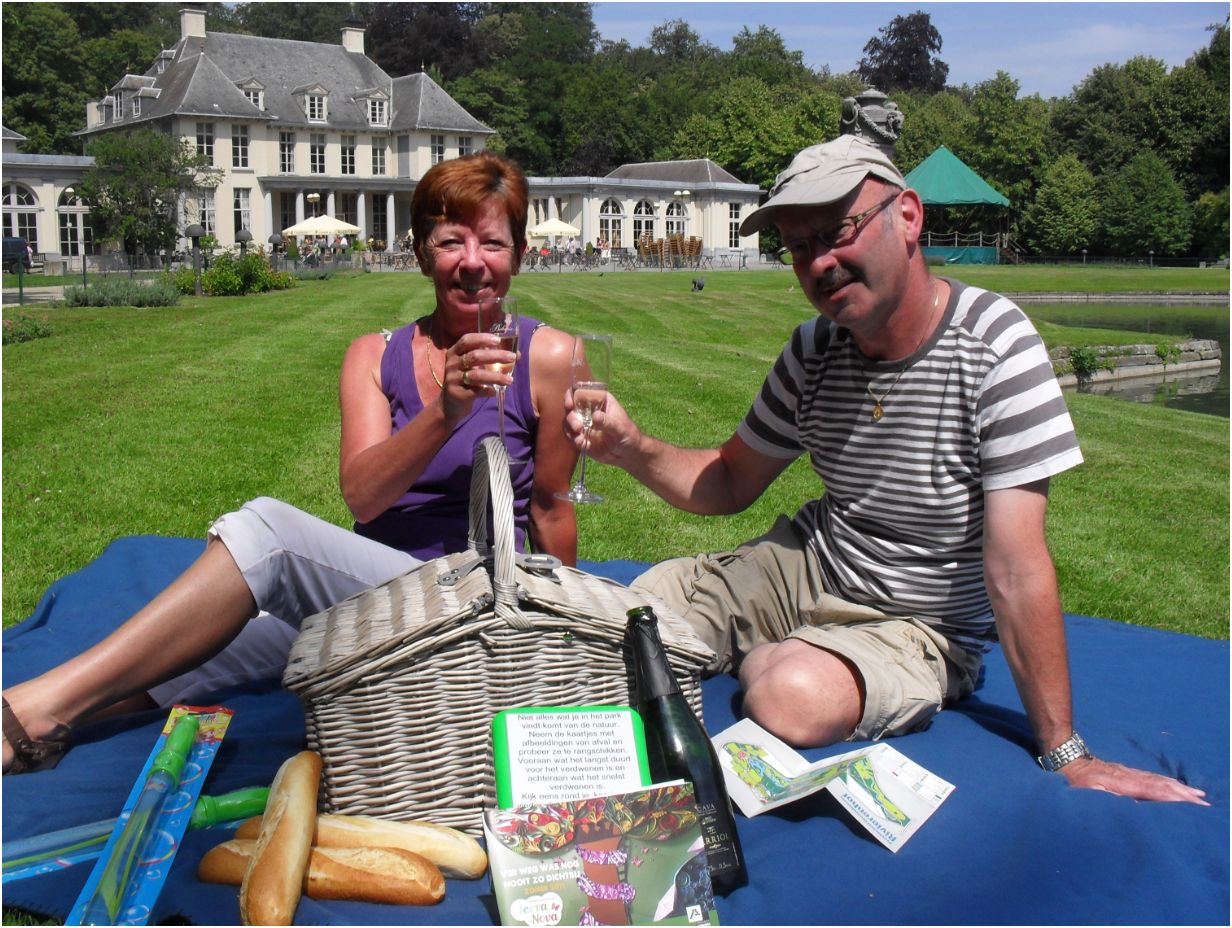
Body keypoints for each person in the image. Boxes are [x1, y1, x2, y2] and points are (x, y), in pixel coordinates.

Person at [564, 135, 1206, 805]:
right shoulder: (814, 349)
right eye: (799, 246)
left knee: (789, 699)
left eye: (837, 230)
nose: (820, 262)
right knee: (632, 617)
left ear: (908, 217)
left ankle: (777, 655)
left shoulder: (996, 348)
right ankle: (780, 645)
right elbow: (730, 479)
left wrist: (1067, 753)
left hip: (922, 622)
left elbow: (1016, 567)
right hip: (806, 569)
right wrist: (630, 448)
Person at [3, 151, 577, 774]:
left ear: (518, 255)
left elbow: (550, 511)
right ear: (421, 253)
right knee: (195, 649)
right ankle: (37, 720)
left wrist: (555, 647)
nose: (472, 262)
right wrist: (445, 411)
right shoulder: (374, 356)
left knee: (268, 537)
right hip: (371, 600)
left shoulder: (550, 358)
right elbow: (364, 497)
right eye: (450, 241)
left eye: (492, 242)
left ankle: (31, 712)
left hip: (473, 608)